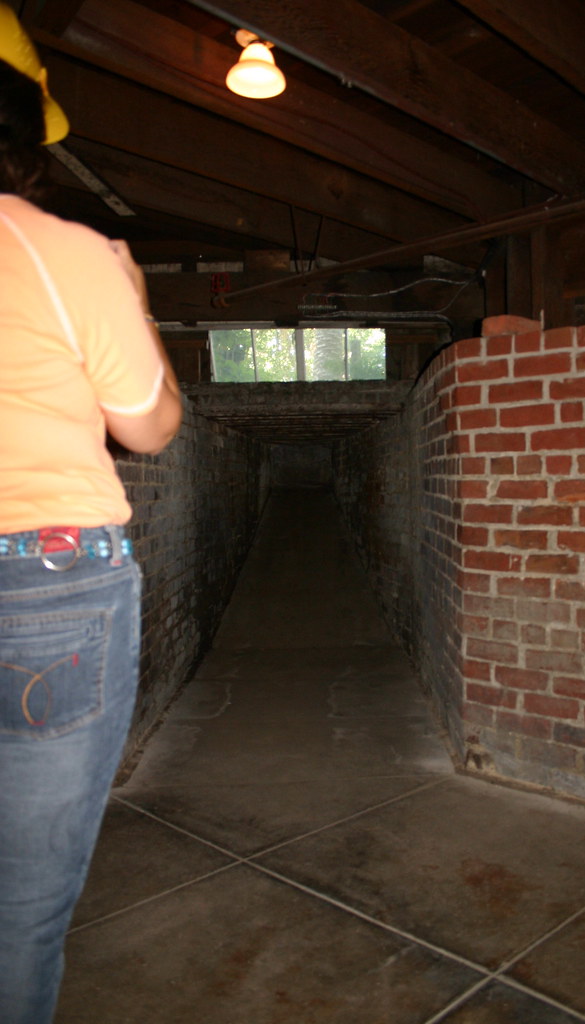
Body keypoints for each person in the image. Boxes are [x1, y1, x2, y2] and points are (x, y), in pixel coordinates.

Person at [0, 6, 183, 1022]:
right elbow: (151, 425)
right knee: (19, 909)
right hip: (46, 583)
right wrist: (137, 293)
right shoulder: (63, 253)